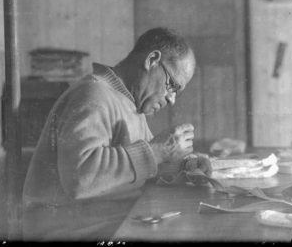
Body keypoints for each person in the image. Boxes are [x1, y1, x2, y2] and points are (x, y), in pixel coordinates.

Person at [22, 27, 212, 241]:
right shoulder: (93, 94)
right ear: (152, 60)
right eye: (172, 86)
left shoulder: (130, 102)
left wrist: (183, 167)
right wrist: (157, 151)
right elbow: (80, 178)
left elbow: (140, 167)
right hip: (65, 230)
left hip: (99, 221)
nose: (171, 99)